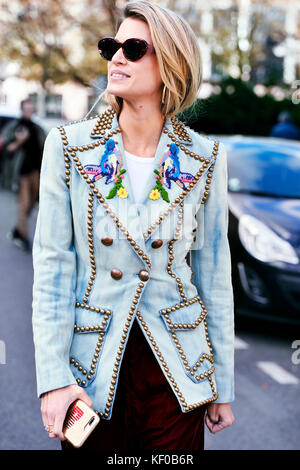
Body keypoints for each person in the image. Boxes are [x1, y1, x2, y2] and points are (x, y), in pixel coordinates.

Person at [32, 1, 235, 451]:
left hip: (177, 373)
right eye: (112, 46)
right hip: (90, 369)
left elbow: (214, 276)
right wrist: (53, 378)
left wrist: (222, 382)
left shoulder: (205, 158)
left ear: (171, 63)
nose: (117, 56)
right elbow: (52, 269)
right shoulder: (68, 147)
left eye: (134, 47)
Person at [1, 98, 46, 251]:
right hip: (20, 173)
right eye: (26, 108)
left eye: (31, 108)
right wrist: (19, 141)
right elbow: (7, 150)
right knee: (24, 204)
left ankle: (17, 230)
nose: (29, 111)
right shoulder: (15, 127)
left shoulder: (37, 128)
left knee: (33, 203)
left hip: (36, 172)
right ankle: (23, 237)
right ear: (22, 109)